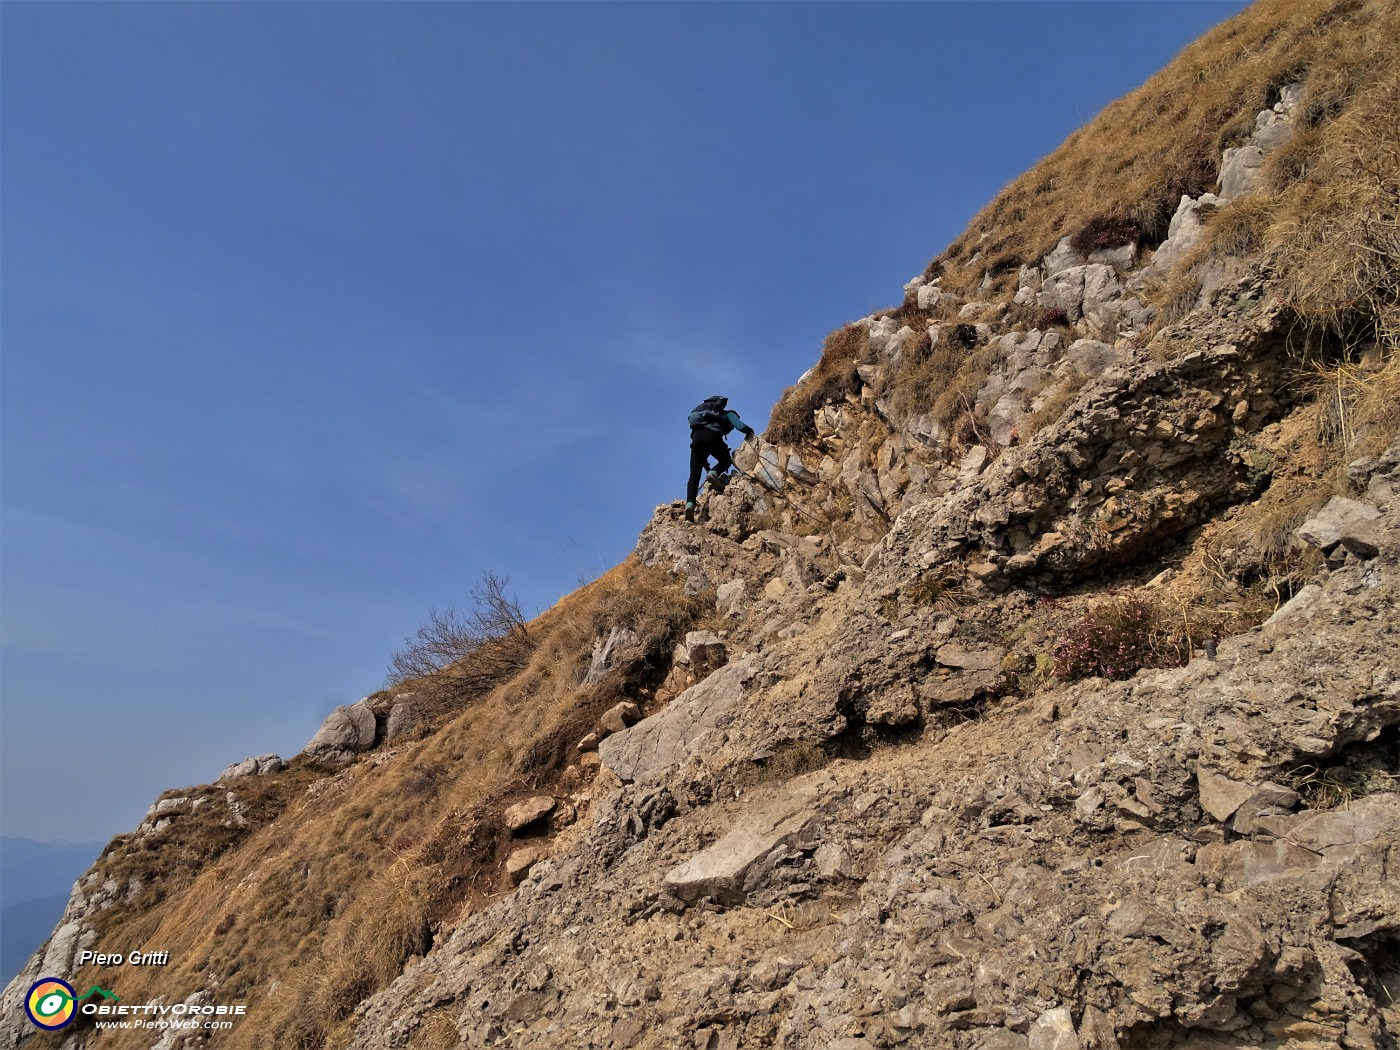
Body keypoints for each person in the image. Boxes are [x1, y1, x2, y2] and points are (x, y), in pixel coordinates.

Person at [685, 395, 755, 521]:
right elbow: (740, 426)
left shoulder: (703, 415)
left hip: (696, 441)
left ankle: (689, 504)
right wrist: (750, 432)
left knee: (694, 475)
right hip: (712, 437)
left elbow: (703, 453)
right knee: (726, 460)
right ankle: (714, 473)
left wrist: (706, 466)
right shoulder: (729, 414)